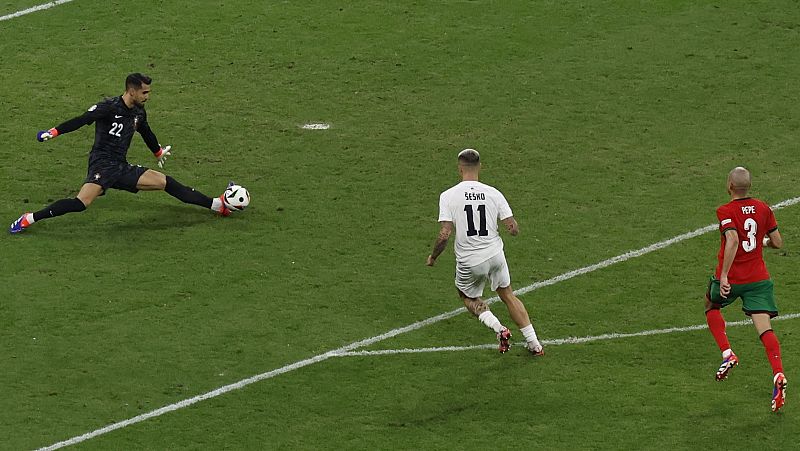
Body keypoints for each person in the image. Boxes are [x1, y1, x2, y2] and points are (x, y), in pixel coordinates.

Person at [9, 73, 235, 234]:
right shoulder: (109, 107)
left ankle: (218, 205)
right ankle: (30, 218)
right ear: (132, 90)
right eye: (144, 92)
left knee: (166, 182)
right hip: (102, 165)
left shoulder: (138, 111)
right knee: (80, 203)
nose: (147, 96)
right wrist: (53, 132)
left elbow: (145, 131)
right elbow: (82, 120)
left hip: (121, 166)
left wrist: (157, 151)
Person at [426, 148, 544, 356]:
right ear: (480, 167)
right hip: (495, 254)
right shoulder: (493, 193)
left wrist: (433, 256)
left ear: (459, 168)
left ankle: (500, 329)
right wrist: (512, 228)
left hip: (470, 260)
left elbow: (444, 234)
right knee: (508, 294)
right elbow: (513, 228)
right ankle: (535, 344)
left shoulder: (448, 196)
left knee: (467, 296)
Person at [705, 166, 787, 412]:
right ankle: (778, 374)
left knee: (711, 304)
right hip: (759, 280)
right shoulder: (764, 208)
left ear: (729, 185)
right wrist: (761, 242)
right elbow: (778, 242)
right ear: (748, 186)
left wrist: (725, 275)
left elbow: (732, 239)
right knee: (765, 328)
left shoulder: (726, 210)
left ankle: (728, 353)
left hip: (734, 278)